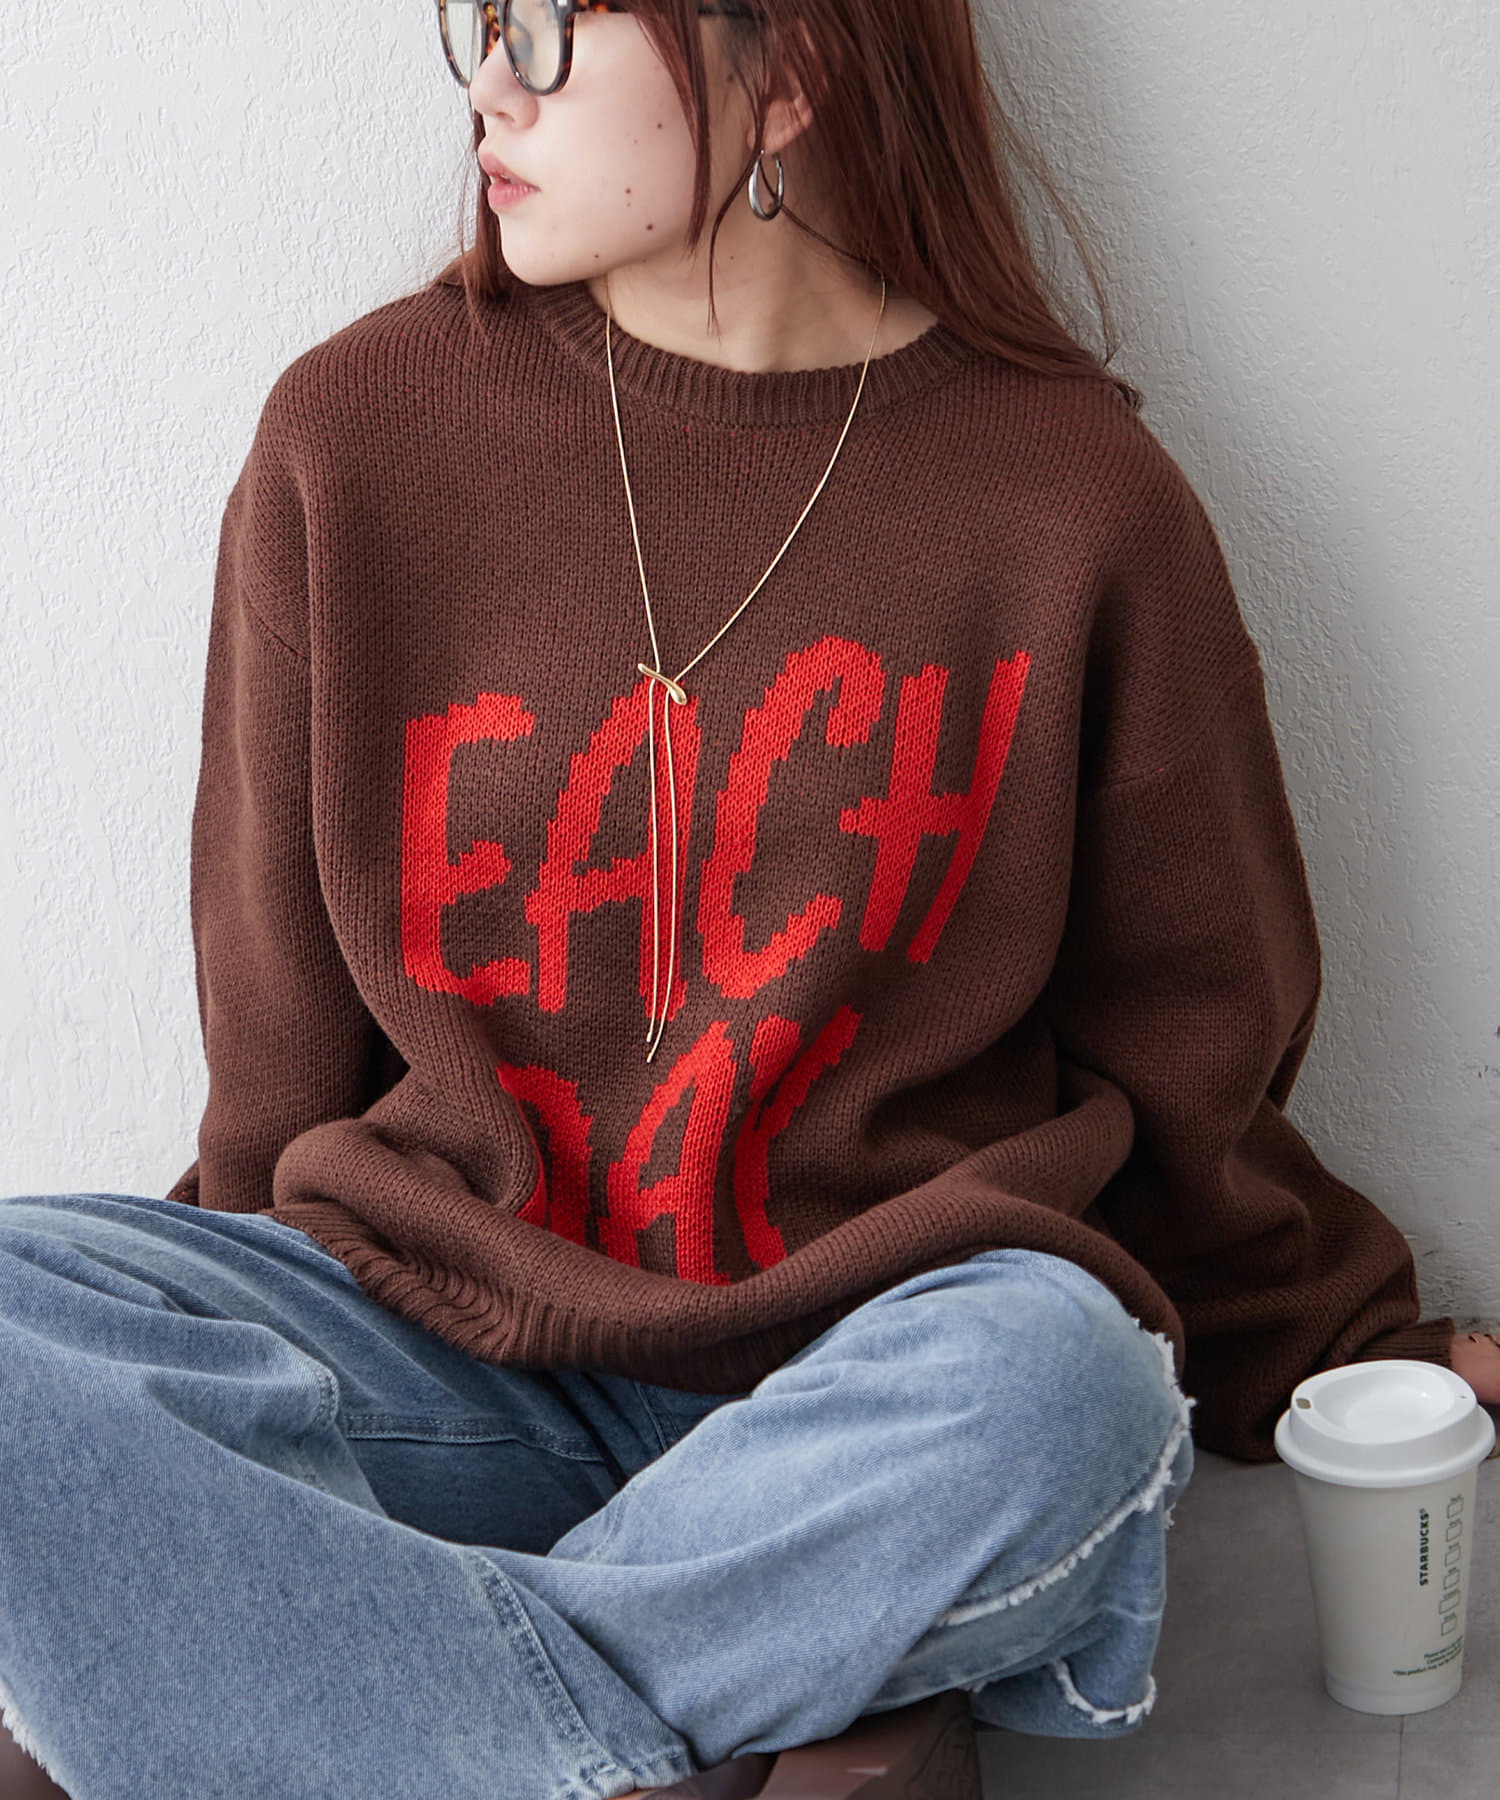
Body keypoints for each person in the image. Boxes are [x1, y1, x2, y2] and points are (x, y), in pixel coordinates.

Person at [1, 1, 1493, 1796]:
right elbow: (275, 1036)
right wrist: (190, 1384)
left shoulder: (1073, 500)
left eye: (555, 31)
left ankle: (384, 1702)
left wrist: (1343, 1347)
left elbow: (1196, 1041)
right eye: (479, 25)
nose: (490, 89)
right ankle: (672, 1703)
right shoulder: (353, 438)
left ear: (785, 70)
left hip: (869, 1384)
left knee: (1073, 1387)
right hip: (436, 1360)